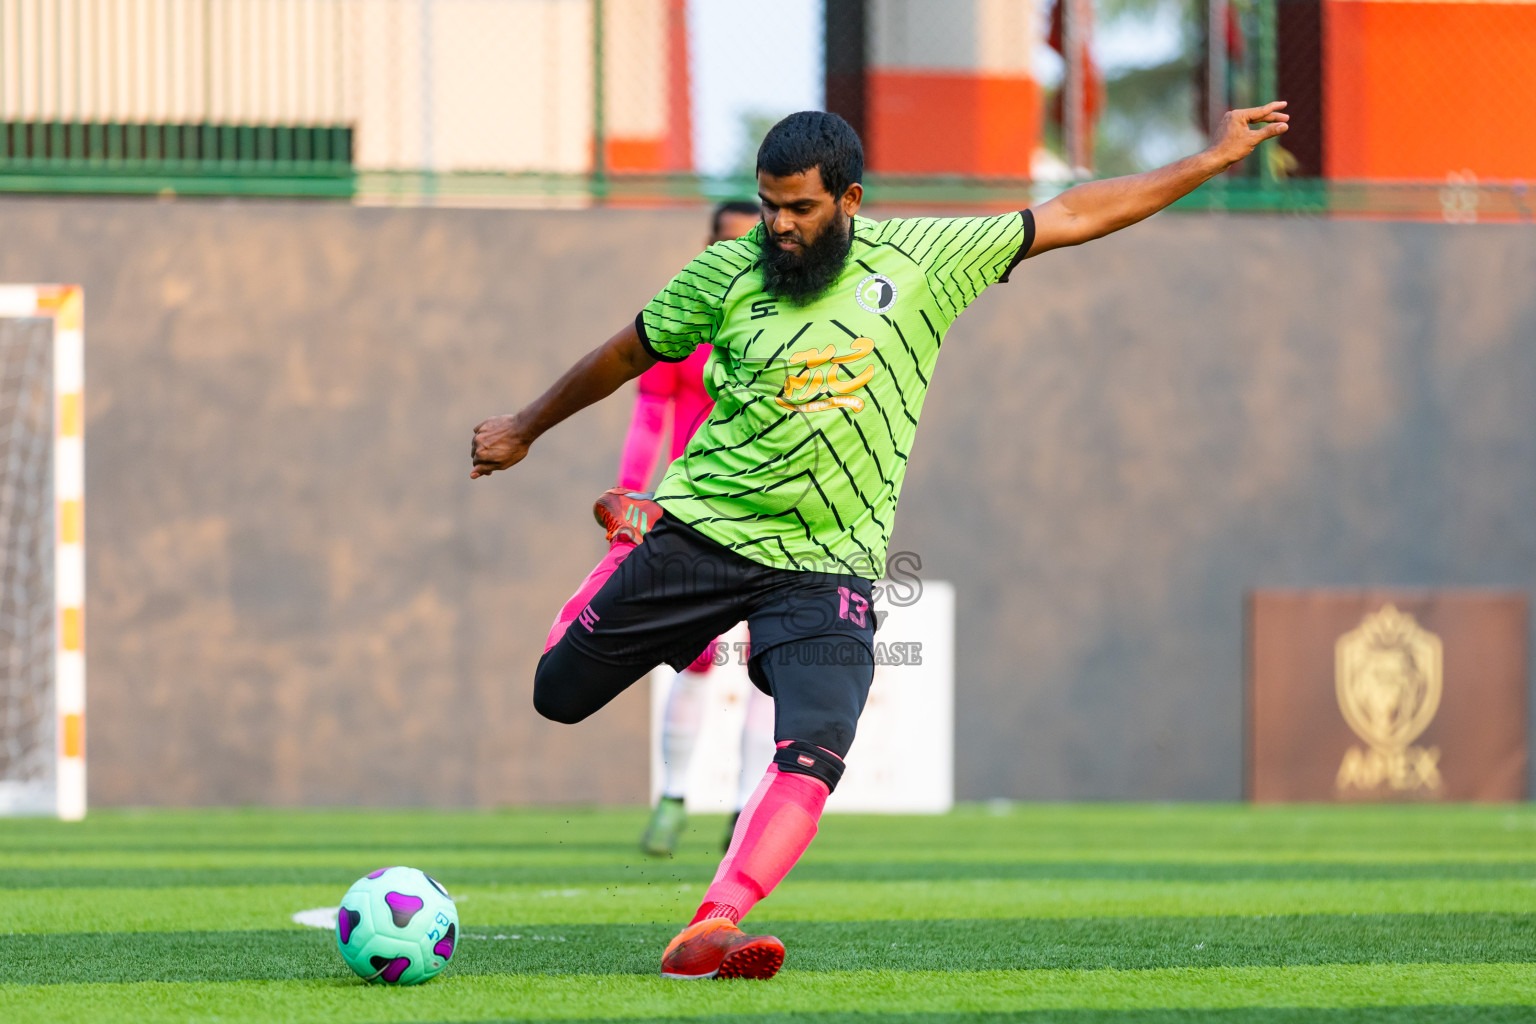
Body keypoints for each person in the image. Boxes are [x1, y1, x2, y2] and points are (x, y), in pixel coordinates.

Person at [472, 103, 1288, 980]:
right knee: (557, 696)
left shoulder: (925, 261)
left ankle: (714, 921)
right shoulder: (722, 274)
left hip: (829, 567)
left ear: (850, 199)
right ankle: (626, 547)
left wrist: (1209, 158)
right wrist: (524, 426)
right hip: (703, 530)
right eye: (768, 205)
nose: (777, 227)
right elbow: (626, 354)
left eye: (799, 209)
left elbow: (1078, 212)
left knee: (818, 748)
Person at [615, 201, 778, 858]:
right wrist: (632, 498)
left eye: (753, 242)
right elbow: (651, 413)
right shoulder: (685, 320)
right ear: (708, 246)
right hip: (698, 513)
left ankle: (744, 811)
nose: (739, 254)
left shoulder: (791, 326)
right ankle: (674, 798)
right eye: (727, 242)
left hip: (774, 516)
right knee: (698, 658)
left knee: (768, 667)